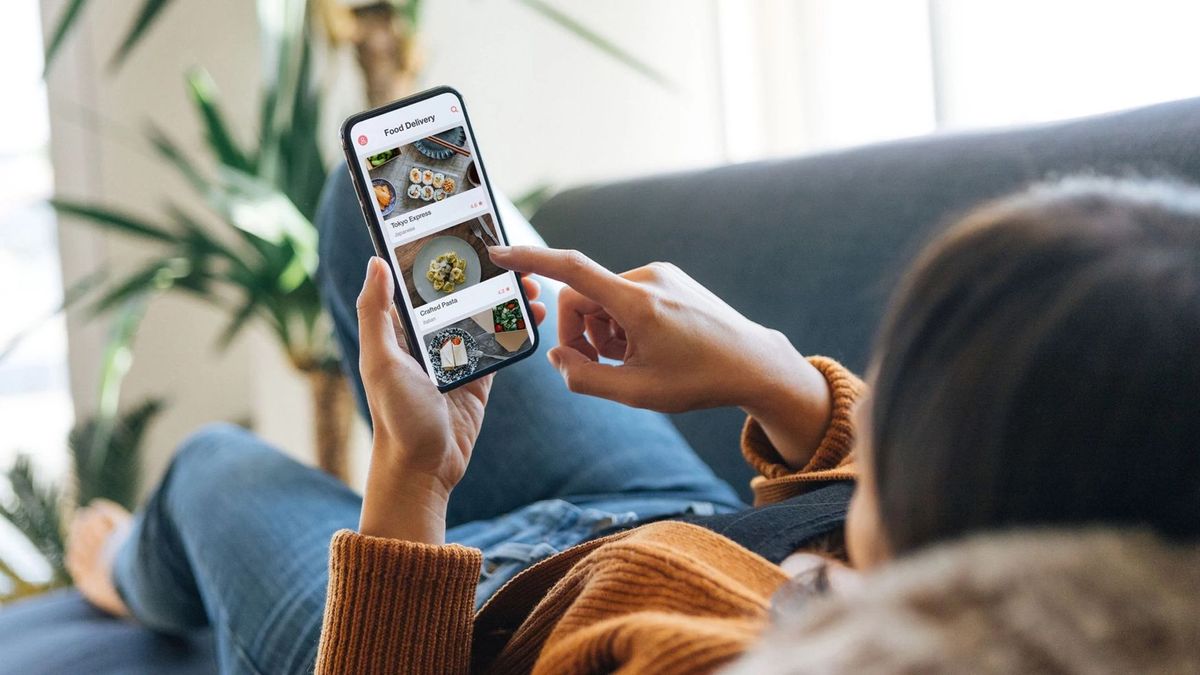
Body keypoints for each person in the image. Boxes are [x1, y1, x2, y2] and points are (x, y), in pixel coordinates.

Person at [62, 176, 1200, 673]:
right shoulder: (1081, 555)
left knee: (211, 468)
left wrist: (412, 480)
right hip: (665, 526)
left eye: (894, 393)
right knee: (378, 196)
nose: (872, 402)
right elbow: (862, 504)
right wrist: (769, 376)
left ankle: (133, 575)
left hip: (451, 620)